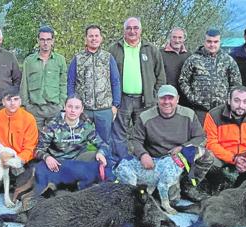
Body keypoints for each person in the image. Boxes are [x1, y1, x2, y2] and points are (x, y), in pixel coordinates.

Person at [130, 85, 214, 201]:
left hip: (182, 158)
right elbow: (134, 140)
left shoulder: (189, 114)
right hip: (158, 164)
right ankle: (161, 187)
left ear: (178, 99)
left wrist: (183, 147)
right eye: (163, 98)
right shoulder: (145, 117)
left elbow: (201, 137)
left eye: (171, 98)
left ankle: (188, 186)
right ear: (157, 99)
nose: (167, 102)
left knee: (207, 155)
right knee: (173, 200)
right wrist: (143, 155)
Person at [108, 17, 165, 162]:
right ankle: (121, 166)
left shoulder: (151, 50)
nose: (132, 31)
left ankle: (145, 165)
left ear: (141, 30)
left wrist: (154, 96)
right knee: (118, 135)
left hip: (145, 101)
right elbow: (106, 75)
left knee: (145, 134)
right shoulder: (114, 49)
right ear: (124, 30)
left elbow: (160, 76)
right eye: (129, 28)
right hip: (121, 100)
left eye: (135, 28)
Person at [203, 86, 246, 187]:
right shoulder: (213, 115)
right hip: (224, 157)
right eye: (237, 101)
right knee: (206, 158)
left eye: (245, 101)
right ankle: (221, 183)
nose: (241, 105)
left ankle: (245, 181)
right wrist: (233, 158)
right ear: (229, 101)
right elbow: (210, 143)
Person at [67, 24, 121, 147]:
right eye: (91, 36)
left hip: (104, 109)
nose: (94, 38)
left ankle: (105, 166)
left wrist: (115, 105)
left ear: (101, 38)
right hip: (83, 110)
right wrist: (72, 104)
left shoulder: (108, 58)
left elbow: (116, 81)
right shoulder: (78, 58)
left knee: (105, 143)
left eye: (96, 36)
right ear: (86, 39)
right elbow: (70, 82)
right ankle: (83, 166)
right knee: (80, 142)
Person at [0, 86, 38, 192]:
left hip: (18, 160)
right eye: (8, 99)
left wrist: (15, 160)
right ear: (3, 102)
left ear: (20, 101)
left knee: (24, 188)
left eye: (15, 99)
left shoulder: (29, 119)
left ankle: (13, 182)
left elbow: (30, 147)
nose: (12, 103)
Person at [179, 29, 242, 124]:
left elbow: (236, 84)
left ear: (220, 42)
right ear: (204, 41)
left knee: (221, 138)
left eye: (215, 42)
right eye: (209, 41)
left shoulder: (228, 60)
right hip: (200, 110)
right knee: (201, 137)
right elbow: (183, 80)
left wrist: (229, 101)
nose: (212, 45)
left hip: (222, 110)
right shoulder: (193, 59)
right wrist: (193, 98)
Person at [35, 97, 109, 174]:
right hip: (58, 163)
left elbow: (103, 145)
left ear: (82, 109)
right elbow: (38, 150)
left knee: (101, 157)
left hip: (78, 160)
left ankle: (103, 181)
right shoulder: (52, 125)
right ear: (64, 107)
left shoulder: (86, 125)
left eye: (77, 107)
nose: (73, 110)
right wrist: (47, 157)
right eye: (70, 106)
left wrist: (101, 153)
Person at [19, 26, 67, 128]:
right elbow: (24, 84)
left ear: (52, 41)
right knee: (35, 141)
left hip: (54, 109)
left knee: (55, 142)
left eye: (48, 39)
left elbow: (63, 83)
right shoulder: (29, 61)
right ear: (38, 40)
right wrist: (25, 105)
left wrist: (61, 104)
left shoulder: (60, 60)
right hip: (34, 110)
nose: (45, 43)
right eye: (42, 39)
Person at [161, 27, 191, 107]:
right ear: (169, 38)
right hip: (166, 98)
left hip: (184, 99)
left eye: (180, 37)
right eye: (174, 37)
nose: (177, 40)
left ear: (184, 39)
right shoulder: (160, 54)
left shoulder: (189, 56)